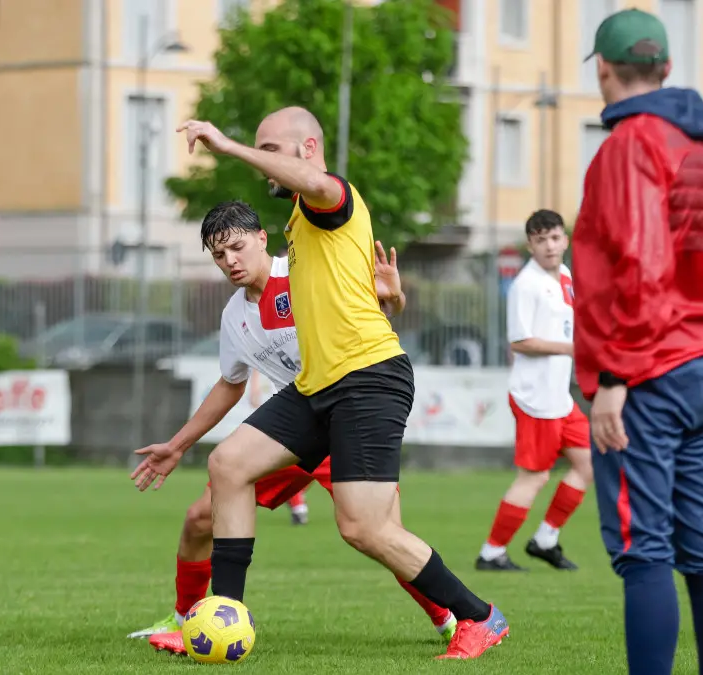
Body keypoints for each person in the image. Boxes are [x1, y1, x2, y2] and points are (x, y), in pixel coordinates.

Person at [136, 107, 508, 661]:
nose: (266, 161)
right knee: (227, 466)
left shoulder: (330, 196)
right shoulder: (297, 229)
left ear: (309, 149)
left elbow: (315, 185)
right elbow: (345, 299)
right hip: (317, 387)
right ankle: (225, 618)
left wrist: (229, 145)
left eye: (273, 149)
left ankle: (479, 617)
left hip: (367, 380)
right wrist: (388, 297)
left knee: (364, 528)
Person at [128, 201, 457, 652]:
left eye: (238, 248)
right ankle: (192, 619)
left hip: (349, 419)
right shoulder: (234, 316)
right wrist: (179, 444)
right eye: (219, 256)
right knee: (199, 518)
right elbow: (230, 385)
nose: (231, 262)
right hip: (295, 430)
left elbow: (374, 322)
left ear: (263, 238)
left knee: (379, 535)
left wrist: (394, 299)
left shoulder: (307, 274)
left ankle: (449, 619)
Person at [573, 9, 703, 675]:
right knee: (702, 544)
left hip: (646, 370)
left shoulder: (630, 144)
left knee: (644, 550)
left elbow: (641, 266)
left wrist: (614, 375)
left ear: (604, 68)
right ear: (666, 67)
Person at [476, 209, 592, 572]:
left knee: (591, 463)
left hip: (559, 398)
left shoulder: (566, 275)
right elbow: (521, 341)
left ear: (565, 239)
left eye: (554, 237)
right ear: (530, 244)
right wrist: (573, 348)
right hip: (536, 399)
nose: (549, 245)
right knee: (535, 477)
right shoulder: (526, 284)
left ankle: (545, 539)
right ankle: (491, 553)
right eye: (540, 240)